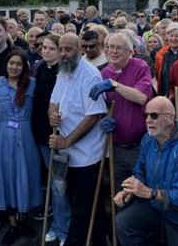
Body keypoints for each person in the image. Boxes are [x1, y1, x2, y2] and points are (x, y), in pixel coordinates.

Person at [114, 96, 178, 245]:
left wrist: (149, 192)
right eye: (145, 115)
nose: (148, 120)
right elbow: (139, 172)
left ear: (170, 118)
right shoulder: (147, 139)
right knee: (124, 221)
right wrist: (129, 189)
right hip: (154, 206)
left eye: (154, 115)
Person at [48, 33, 107, 246]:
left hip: (86, 156)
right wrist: (51, 115)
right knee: (75, 203)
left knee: (85, 208)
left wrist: (67, 141)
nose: (63, 54)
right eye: (61, 49)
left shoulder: (89, 75)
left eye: (68, 49)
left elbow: (93, 116)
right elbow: (53, 102)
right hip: (65, 154)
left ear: (79, 49)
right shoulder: (63, 71)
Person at [0, 48, 41, 245]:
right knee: (6, 180)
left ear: (24, 66)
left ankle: (23, 220)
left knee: (25, 177)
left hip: (26, 138)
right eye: (11, 63)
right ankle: (13, 224)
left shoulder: (32, 85)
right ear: (6, 65)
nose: (14, 67)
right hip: (1, 138)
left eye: (18, 63)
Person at [90, 32, 152, 191]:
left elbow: (141, 97)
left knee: (141, 188)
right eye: (110, 47)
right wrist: (103, 120)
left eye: (118, 48)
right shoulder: (104, 74)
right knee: (118, 191)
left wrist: (114, 85)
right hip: (115, 145)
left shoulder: (140, 66)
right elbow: (102, 107)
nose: (113, 51)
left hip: (139, 145)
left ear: (130, 52)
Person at [31, 34, 71, 245]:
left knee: (60, 185)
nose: (45, 51)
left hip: (58, 135)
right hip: (40, 134)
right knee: (54, 184)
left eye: (50, 48)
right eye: (43, 47)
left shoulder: (64, 72)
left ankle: (64, 228)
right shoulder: (38, 69)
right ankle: (58, 224)